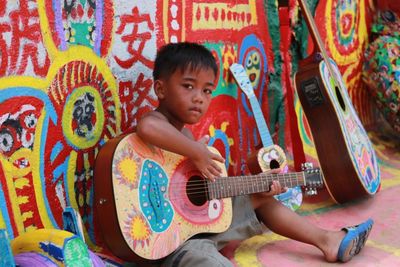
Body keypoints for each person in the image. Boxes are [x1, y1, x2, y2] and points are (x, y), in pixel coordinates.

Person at [136, 42, 374, 266]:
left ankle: (328, 240)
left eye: (207, 90)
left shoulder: (187, 139)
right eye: (188, 86)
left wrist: (255, 187)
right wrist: (196, 151)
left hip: (197, 226)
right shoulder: (160, 124)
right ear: (161, 88)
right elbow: (147, 127)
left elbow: (210, 191)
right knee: (201, 257)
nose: (199, 97)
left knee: (262, 199)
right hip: (169, 242)